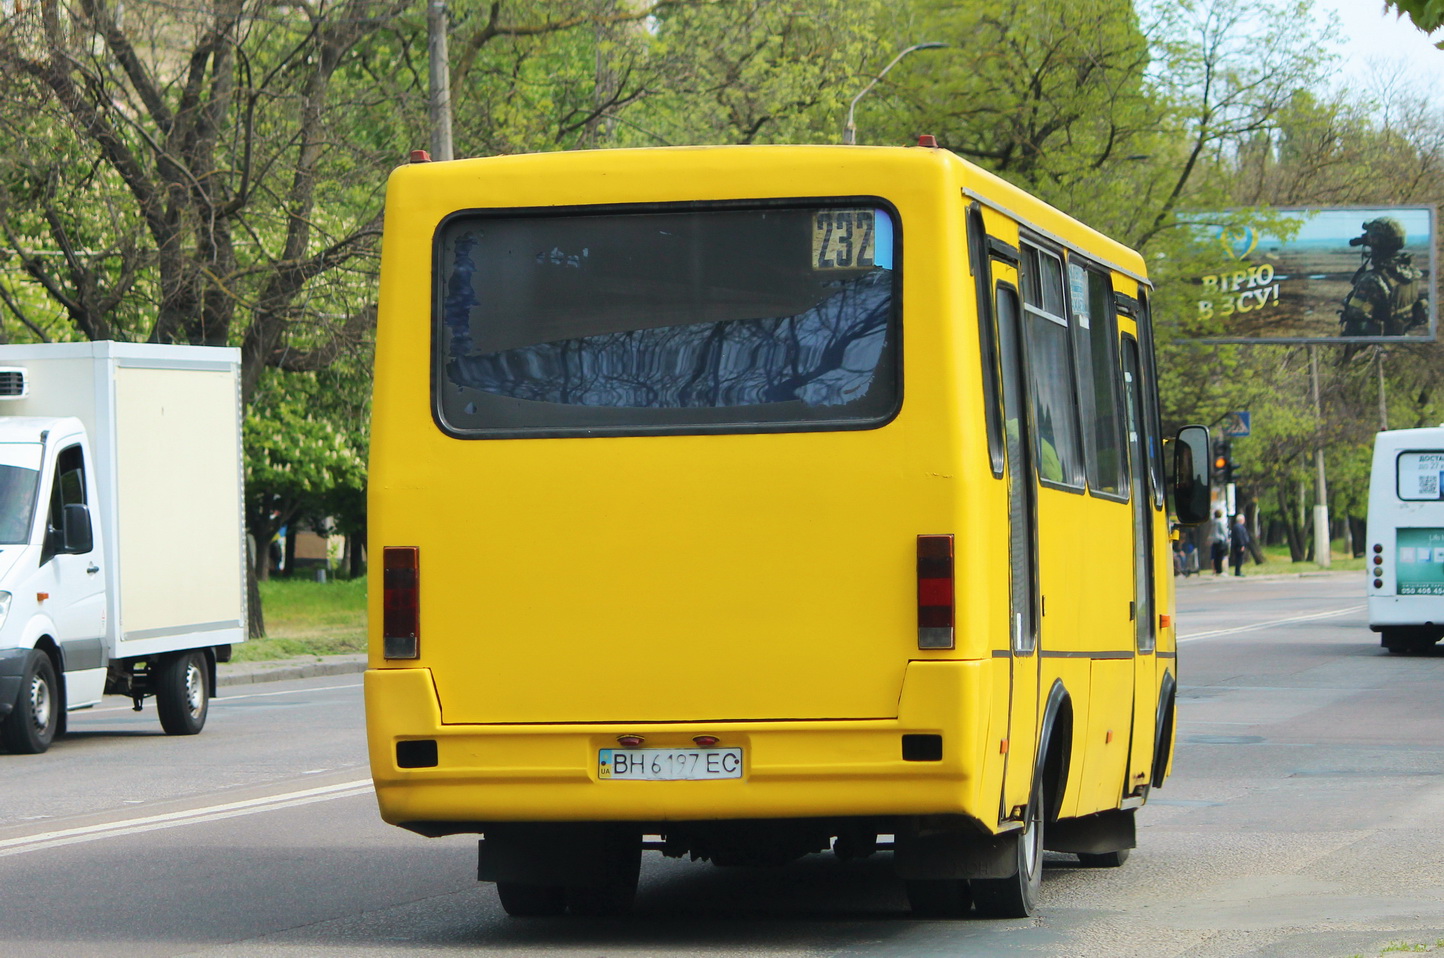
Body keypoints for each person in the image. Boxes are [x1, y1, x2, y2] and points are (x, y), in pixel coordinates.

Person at [1339, 217, 1429, 337]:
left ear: (1376, 241)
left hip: (1375, 344)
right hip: (1401, 338)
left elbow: (1356, 314)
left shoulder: (1372, 279)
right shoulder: (1411, 271)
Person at [1229, 513, 1252, 577]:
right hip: (1239, 546)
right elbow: (1239, 537)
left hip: (1237, 545)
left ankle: (1238, 571)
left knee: (1239, 558)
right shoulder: (1238, 527)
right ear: (1241, 520)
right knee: (1239, 559)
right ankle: (1238, 572)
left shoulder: (1236, 526)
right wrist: (1242, 545)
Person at [1209, 509, 1228, 575]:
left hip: (1214, 541)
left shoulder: (1213, 522)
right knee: (1220, 556)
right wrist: (1226, 538)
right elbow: (1224, 531)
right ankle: (1220, 570)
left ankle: (1216, 569)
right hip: (1220, 540)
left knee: (1215, 557)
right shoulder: (1220, 522)